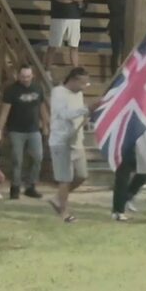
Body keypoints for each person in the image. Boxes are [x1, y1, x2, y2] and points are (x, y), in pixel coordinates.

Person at [48, 68, 92, 223]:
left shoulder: (79, 94)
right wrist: (86, 109)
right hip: (61, 141)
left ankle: (57, 198)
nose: (84, 86)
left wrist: (86, 117)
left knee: (82, 175)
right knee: (65, 179)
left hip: (76, 140)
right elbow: (64, 114)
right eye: (82, 83)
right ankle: (64, 212)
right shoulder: (58, 93)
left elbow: (79, 114)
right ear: (73, 80)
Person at [0, 65, 48, 200]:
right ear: (18, 76)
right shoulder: (11, 90)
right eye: (23, 76)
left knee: (38, 157)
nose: (25, 79)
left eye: (28, 76)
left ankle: (31, 186)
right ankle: (15, 187)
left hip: (34, 130)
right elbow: (4, 112)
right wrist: (0, 130)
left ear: (32, 76)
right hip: (16, 130)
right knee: (17, 160)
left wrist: (45, 125)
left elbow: (42, 108)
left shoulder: (38, 88)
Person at [45, 0, 85, 73]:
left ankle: (76, 72)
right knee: (53, 45)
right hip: (59, 17)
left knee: (74, 46)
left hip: (74, 17)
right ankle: (47, 71)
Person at [106, 0, 127, 76]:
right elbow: (114, 9)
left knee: (126, 50)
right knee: (116, 50)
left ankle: (124, 72)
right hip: (116, 25)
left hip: (126, 26)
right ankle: (113, 74)